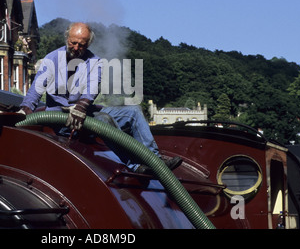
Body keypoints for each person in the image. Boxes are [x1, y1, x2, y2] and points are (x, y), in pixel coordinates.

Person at [19, 22, 182, 172]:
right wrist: (26, 109)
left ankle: (156, 161)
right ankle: (134, 164)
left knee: (133, 111)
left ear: (88, 44)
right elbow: (35, 90)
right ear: (67, 38)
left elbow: (92, 86)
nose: (76, 48)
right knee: (103, 120)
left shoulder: (94, 61)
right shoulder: (52, 59)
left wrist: (82, 105)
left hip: (85, 113)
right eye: (73, 43)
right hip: (61, 118)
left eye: (81, 45)